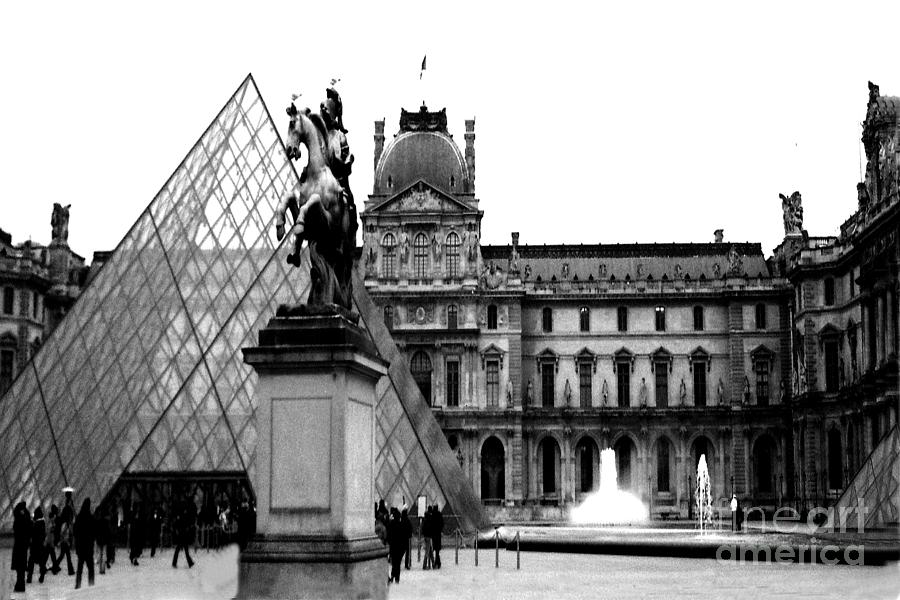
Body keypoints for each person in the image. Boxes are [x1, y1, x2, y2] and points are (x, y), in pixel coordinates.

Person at [74, 498, 96, 589]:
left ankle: (78, 584)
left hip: (81, 546)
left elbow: (75, 531)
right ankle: (91, 583)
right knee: (90, 567)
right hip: (88, 547)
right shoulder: (90, 518)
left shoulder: (79, 517)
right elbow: (94, 531)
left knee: (80, 568)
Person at [12, 501, 31, 592]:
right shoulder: (26, 517)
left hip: (19, 545)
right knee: (22, 566)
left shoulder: (19, 518)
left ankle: (19, 586)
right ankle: (20, 585)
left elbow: (16, 530)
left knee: (19, 567)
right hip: (24, 545)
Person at [172, 501, 195, 569]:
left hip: (182, 534)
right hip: (183, 534)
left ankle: (175, 562)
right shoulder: (183, 516)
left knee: (180, 549)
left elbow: (177, 524)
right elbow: (183, 524)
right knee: (184, 549)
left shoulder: (180, 516)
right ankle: (189, 562)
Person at [55, 500, 75, 575]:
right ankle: (70, 570)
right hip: (65, 541)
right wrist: (67, 540)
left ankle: (56, 566)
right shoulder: (66, 524)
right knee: (66, 556)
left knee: (63, 555)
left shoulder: (65, 523)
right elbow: (63, 533)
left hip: (64, 541)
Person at [27, 506, 46, 584]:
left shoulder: (36, 524)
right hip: (40, 546)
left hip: (34, 546)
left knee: (31, 562)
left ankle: (29, 577)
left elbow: (32, 533)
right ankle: (42, 575)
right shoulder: (42, 523)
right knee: (41, 563)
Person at [386, 508, 404, 584]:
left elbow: (389, 536)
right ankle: (397, 577)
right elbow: (403, 536)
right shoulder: (401, 525)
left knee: (394, 563)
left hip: (393, 546)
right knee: (398, 563)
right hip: (399, 547)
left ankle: (393, 576)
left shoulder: (391, 524)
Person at [45, 505, 61, 576]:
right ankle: (54, 569)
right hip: (50, 541)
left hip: (50, 541)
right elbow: (50, 533)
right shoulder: (51, 523)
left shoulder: (51, 522)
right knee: (51, 555)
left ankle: (54, 568)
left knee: (50, 555)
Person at [95, 506, 110, 575]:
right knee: (103, 554)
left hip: (99, 539)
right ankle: (103, 569)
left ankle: (100, 568)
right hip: (104, 540)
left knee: (100, 554)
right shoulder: (106, 522)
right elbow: (107, 531)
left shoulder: (97, 522)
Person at [431, 505, 444, 569]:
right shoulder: (439, 514)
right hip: (438, 534)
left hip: (433, 534)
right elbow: (442, 523)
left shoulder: (432, 515)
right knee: (437, 550)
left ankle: (436, 562)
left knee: (433, 549)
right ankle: (437, 562)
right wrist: (440, 530)